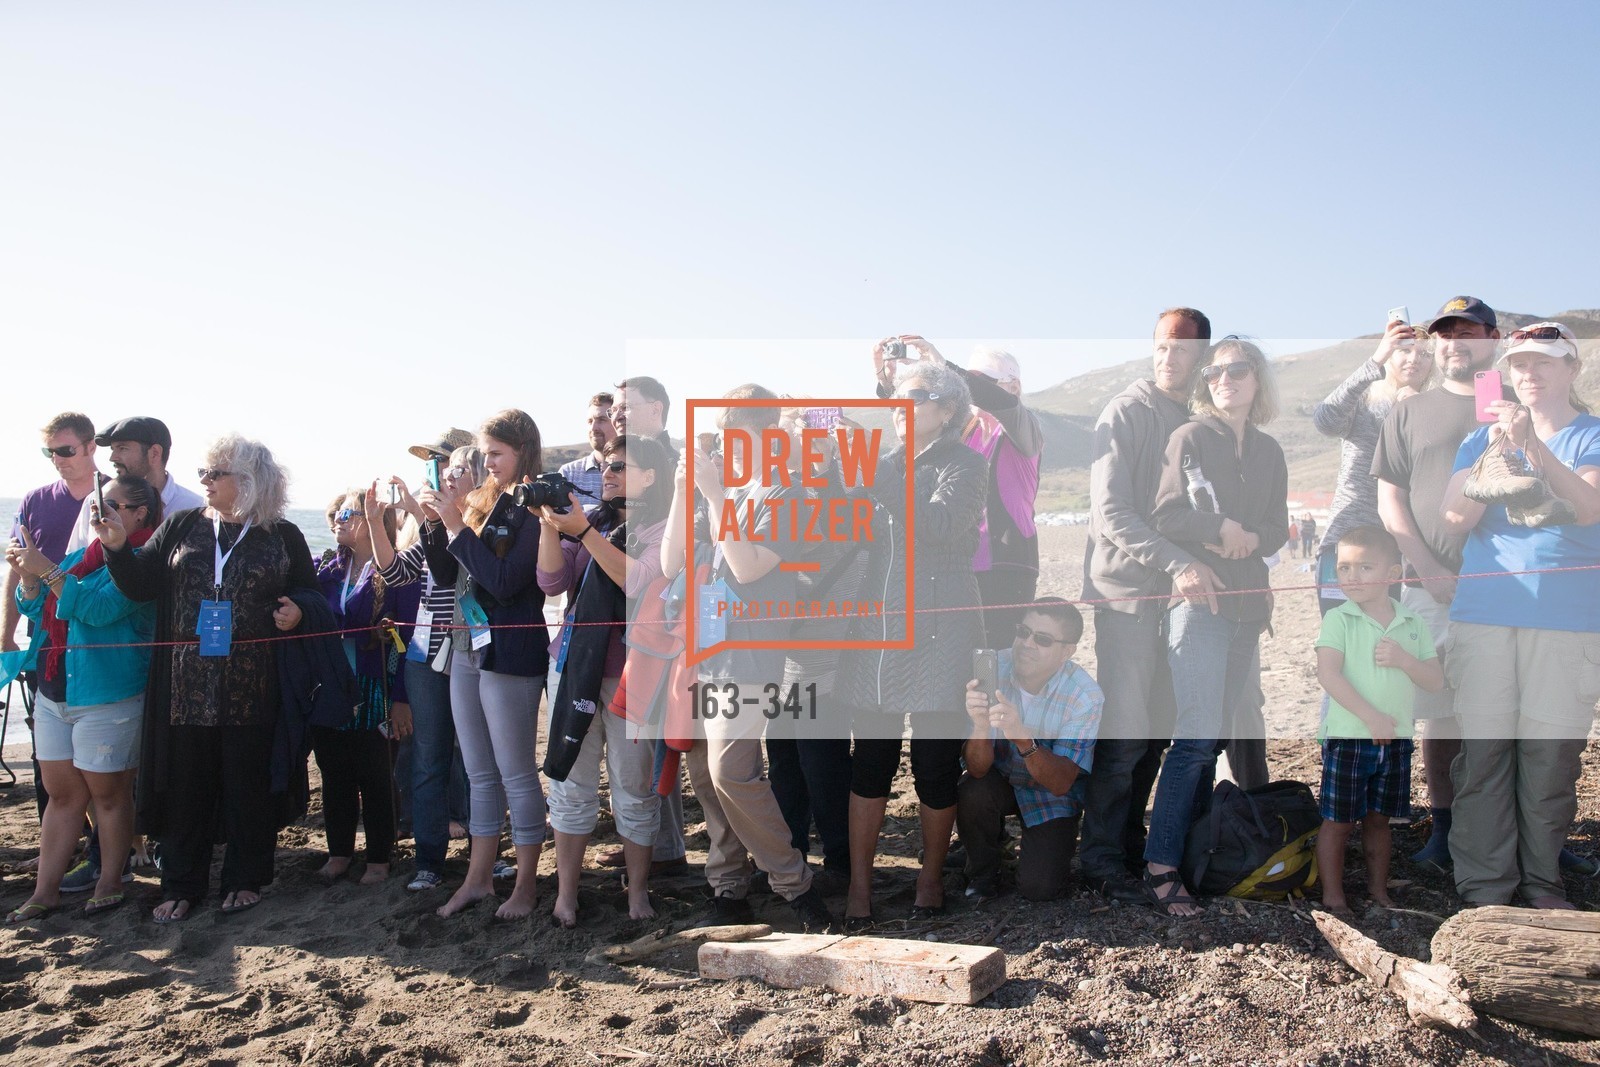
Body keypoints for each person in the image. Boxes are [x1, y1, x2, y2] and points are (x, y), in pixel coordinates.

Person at [101, 435, 316, 922]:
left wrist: (298, 610)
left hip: (254, 687)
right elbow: (141, 585)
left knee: (248, 786)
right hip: (184, 687)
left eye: (213, 473)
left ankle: (244, 879)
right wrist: (116, 549)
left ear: (247, 480)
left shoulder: (282, 535)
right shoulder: (182, 525)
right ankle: (181, 883)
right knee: (185, 787)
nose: (203, 481)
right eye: (202, 473)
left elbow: (312, 595)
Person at [658, 385, 835, 932]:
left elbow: (750, 567)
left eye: (740, 439)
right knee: (709, 777)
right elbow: (670, 563)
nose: (729, 452)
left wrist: (715, 498)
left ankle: (793, 884)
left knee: (730, 770)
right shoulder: (730, 489)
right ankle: (729, 881)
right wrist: (684, 491)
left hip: (756, 650)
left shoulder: (790, 494)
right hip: (711, 645)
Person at [1439, 321, 1600, 909]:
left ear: (1572, 370)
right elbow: (1454, 518)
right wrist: (1496, 453)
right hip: (1485, 612)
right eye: (1519, 365)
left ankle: (1540, 883)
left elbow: (1587, 510)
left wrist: (1533, 447)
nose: (1529, 374)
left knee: (1550, 759)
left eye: (1543, 363)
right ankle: (1486, 891)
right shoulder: (1480, 440)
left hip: (1568, 620)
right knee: (1484, 757)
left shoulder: (1592, 436)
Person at [836, 357, 987, 929]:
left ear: (948, 410)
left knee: (933, 763)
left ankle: (929, 877)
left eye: (918, 395)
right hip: (877, 626)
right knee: (869, 761)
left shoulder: (966, 463)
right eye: (897, 395)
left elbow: (942, 526)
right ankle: (859, 886)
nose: (904, 405)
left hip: (941, 629)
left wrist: (879, 481)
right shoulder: (882, 464)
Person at [1078, 308, 1222, 905]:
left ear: (1202, 357)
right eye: (1162, 347)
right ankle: (1101, 857)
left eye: (1183, 351)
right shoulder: (1127, 410)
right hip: (1130, 594)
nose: (1169, 360)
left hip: (1183, 601)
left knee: (1163, 732)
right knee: (1126, 734)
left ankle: (1140, 844)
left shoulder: (1199, 416)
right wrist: (1178, 562)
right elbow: (1112, 513)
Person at [1145, 336, 1288, 917]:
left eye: (1237, 369)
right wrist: (1219, 528)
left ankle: (1197, 854)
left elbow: (1279, 528)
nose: (1223, 379)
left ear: (1258, 380)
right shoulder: (1189, 438)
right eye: (1215, 372)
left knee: (1220, 737)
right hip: (1199, 606)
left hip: (1249, 609)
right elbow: (1165, 514)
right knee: (1196, 738)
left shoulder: (1271, 450)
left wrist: (1256, 538)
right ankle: (1160, 866)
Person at [1370, 296, 1499, 872]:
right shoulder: (1410, 410)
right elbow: (1389, 496)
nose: (1455, 343)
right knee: (1440, 709)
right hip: (1431, 585)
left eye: (1469, 333)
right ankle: (1444, 829)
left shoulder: (1508, 399)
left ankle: (1513, 830)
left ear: (1493, 339)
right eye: (1445, 334)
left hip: (1511, 587)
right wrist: (1423, 564)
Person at [4, 475, 162, 921]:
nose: (99, 511)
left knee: (108, 795)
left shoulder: (143, 563)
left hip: (107, 695)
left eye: (110, 504)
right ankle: (45, 889)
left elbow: (97, 610)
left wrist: (46, 571)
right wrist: (27, 577)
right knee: (62, 795)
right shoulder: (84, 554)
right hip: (57, 690)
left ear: (138, 515)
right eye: (97, 502)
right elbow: (40, 608)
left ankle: (111, 879)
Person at [418, 409, 551, 921]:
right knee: (478, 773)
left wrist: (454, 522)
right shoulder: (484, 500)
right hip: (467, 646)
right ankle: (477, 880)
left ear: (522, 450)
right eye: (486, 453)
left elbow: (503, 581)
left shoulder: (535, 505)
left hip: (512, 649)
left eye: (496, 453)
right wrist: (438, 522)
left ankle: (524, 885)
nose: (487, 462)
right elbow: (447, 570)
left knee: (516, 772)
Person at [537, 434, 673, 926]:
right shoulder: (595, 521)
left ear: (650, 476)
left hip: (634, 673)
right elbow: (551, 584)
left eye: (620, 465)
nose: (608, 473)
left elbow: (637, 580)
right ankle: (565, 894)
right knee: (570, 783)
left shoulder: (665, 528)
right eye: (606, 466)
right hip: (575, 665)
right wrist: (550, 525)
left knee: (632, 788)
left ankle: (638, 894)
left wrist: (584, 534)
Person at [874, 339, 1043, 649]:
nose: (970, 388)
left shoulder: (1023, 427)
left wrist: (944, 366)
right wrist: (891, 384)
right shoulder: (966, 431)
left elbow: (992, 401)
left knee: (996, 661)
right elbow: (921, 417)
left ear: (1014, 386)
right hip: (962, 561)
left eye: (980, 381)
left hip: (1007, 563)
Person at [1313, 525, 1442, 915]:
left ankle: (1378, 891)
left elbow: (1435, 681)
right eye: (1344, 568)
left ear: (1395, 573)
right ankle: (1333, 896)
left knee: (1379, 821)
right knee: (1338, 822)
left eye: (1364, 567)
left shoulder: (1412, 623)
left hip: (1396, 739)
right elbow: (1327, 674)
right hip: (1350, 737)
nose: (1351, 577)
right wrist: (1371, 717)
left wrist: (1405, 659)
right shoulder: (1339, 619)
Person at [764, 404, 862, 896]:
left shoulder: (843, 489)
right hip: (783, 644)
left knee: (820, 758)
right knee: (783, 754)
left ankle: (841, 861)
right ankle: (794, 854)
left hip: (827, 644)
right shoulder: (783, 488)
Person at [372, 443, 478, 892]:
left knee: (478, 762)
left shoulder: (482, 527)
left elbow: (461, 574)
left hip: (473, 654)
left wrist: (424, 512)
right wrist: (377, 520)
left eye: (456, 471)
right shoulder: (427, 532)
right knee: (430, 760)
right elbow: (394, 572)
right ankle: (429, 861)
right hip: (425, 657)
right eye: (443, 472)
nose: (446, 479)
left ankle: (485, 855)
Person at [957, 598, 1101, 903]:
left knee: (1040, 890)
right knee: (972, 789)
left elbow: (1061, 783)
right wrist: (981, 726)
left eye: (1043, 639)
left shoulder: (1084, 695)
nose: (1027, 643)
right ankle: (982, 871)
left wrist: (1023, 738)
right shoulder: (994, 667)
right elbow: (977, 769)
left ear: (1067, 652)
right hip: (1000, 780)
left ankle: (1022, 853)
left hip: (1051, 795)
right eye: (1023, 631)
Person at [599, 374, 687, 875]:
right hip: (627, 626)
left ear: (658, 407)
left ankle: (666, 847)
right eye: (615, 409)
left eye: (628, 407)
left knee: (668, 741)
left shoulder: (673, 465)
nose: (619, 415)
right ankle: (654, 843)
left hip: (670, 623)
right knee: (646, 744)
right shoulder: (618, 461)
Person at [310, 491, 419, 886]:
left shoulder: (395, 572)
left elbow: (409, 640)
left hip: (377, 686)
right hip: (329, 685)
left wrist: (403, 700)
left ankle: (378, 858)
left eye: (345, 514)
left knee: (375, 774)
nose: (336, 520)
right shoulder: (324, 567)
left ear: (371, 519)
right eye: (333, 514)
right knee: (333, 772)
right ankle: (339, 853)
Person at [1312, 327, 1433, 613]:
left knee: (1393, 647)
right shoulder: (1366, 402)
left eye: (1425, 353)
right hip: (1347, 543)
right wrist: (1375, 361)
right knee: (1342, 641)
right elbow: (1325, 421)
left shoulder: (1437, 409)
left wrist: (1417, 409)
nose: (1414, 359)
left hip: (1407, 554)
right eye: (1404, 349)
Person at [5, 413, 104, 656]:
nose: (57, 459)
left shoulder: (120, 497)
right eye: (50, 452)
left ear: (91, 447)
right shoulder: (35, 500)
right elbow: (17, 569)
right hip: (43, 630)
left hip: (102, 630)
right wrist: (5, 637)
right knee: (42, 694)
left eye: (66, 450)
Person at [95, 416, 204, 518]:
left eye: (122, 448)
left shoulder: (195, 508)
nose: (113, 458)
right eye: (113, 449)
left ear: (154, 453)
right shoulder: (97, 503)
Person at [558, 392, 617, 502]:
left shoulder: (633, 471)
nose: (593, 428)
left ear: (617, 422)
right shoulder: (569, 473)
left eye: (602, 420)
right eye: (590, 421)